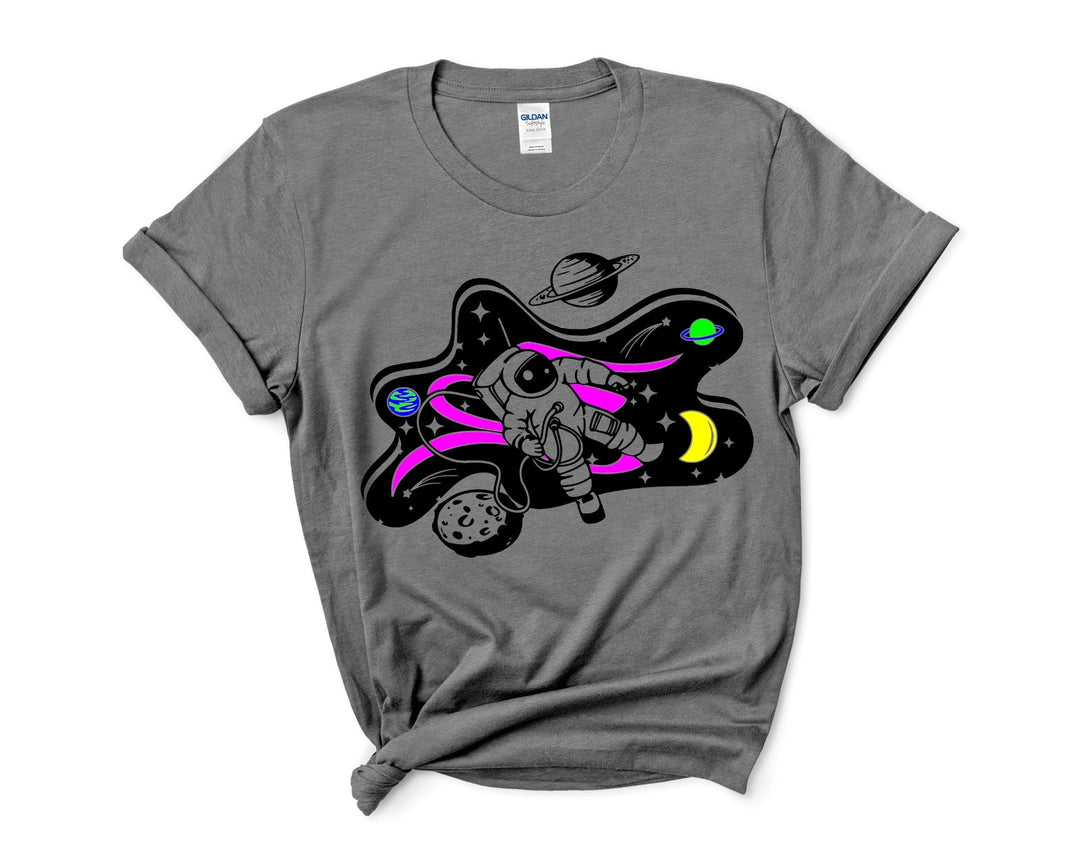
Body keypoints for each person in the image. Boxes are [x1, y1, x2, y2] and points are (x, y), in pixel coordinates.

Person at [474, 347, 663, 522]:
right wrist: (525, 443)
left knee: (613, 428)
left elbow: (583, 369)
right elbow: (513, 429)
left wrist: (609, 378)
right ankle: (584, 496)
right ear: (515, 383)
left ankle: (641, 449)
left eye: (541, 368)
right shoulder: (516, 404)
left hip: (580, 415)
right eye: (530, 375)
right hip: (553, 436)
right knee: (570, 467)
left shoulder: (558, 369)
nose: (541, 376)